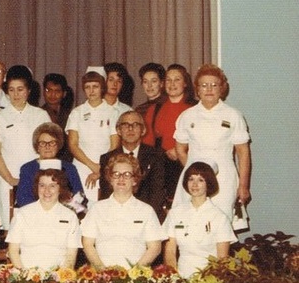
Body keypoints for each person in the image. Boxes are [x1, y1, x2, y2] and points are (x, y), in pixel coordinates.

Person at [174, 64, 251, 219]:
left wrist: (243, 185)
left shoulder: (233, 115)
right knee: (191, 219)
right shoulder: (187, 116)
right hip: (194, 178)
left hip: (224, 178)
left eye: (214, 85)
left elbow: (243, 153)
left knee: (221, 221)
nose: (209, 89)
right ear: (197, 89)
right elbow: (180, 149)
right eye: (204, 85)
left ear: (222, 88)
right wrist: (194, 169)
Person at [81, 155, 165, 269]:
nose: (121, 179)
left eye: (127, 175)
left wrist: (135, 272)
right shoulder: (97, 209)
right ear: (110, 179)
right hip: (102, 277)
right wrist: (102, 270)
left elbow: (155, 247)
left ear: (135, 180)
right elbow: (87, 243)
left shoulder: (147, 211)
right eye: (116, 174)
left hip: (135, 278)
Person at [0, 70, 50, 229]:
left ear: (28, 90)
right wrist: (10, 179)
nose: (16, 94)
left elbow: (48, 149)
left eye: (20, 89)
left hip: (37, 179)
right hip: (8, 180)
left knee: (38, 225)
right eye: (11, 90)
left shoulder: (40, 115)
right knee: (11, 225)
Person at [163, 162, 236, 277]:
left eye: (201, 180)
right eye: (191, 179)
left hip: (208, 282)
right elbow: (170, 250)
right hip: (180, 278)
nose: (195, 184)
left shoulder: (220, 218)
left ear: (209, 184)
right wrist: (174, 278)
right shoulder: (175, 213)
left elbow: (222, 260)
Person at [7, 168, 82, 271]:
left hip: (58, 278)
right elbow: (13, 250)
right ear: (37, 187)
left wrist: (61, 277)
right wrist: (24, 274)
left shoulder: (70, 216)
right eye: (42, 185)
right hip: (26, 276)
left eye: (52, 186)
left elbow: (71, 255)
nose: (47, 190)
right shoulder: (22, 214)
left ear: (60, 188)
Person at [98, 110, 166, 219]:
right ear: (118, 130)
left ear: (143, 130)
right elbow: (106, 192)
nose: (130, 129)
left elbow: (157, 192)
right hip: (115, 216)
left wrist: (141, 216)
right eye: (125, 125)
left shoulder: (156, 155)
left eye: (135, 125)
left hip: (146, 215)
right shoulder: (107, 158)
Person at [66, 68, 120, 202]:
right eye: (87, 87)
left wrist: (101, 170)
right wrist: (93, 166)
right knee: (80, 207)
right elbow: (73, 145)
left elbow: (114, 145)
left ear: (102, 87)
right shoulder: (77, 113)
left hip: (106, 167)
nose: (91, 91)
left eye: (95, 86)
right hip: (81, 167)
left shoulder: (113, 112)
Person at [147, 63, 196, 200]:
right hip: (162, 169)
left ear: (185, 83)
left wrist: (180, 151)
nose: (172, 84)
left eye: (177, 79)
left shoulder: (195, 109)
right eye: (169, 79)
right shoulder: (154, 109)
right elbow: (148, 143)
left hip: (187, 163)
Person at [16, 123, 84, 209]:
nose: (47, 147)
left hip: (63, 213)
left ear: (58, 145)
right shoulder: (27, 169)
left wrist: (61, 210)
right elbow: (23, 200)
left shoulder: (69, 168)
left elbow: (79, 196)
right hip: (35, 215)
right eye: (43, 143)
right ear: (37, 147)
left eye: (52, 143)